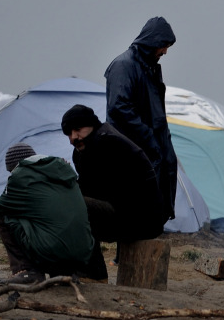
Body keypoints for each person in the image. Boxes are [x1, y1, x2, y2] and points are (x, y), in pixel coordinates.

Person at [62, 104, 165, 278]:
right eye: (69, 134)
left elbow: (97, 190)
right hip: (124, 211)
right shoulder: (87, 147)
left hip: (142, 219)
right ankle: (81, 267)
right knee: (73, 202)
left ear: (91, 125)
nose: (73, 138)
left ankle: (95, 272)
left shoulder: (106, 143)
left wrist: (68, 183)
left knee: (77, 205)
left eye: (77, 130)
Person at [0, 143, 100, 285]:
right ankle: (64, 274)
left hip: (52, 249)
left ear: (16, 166)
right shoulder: (63, 170)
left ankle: (27, 272)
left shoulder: (20, 176)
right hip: (83, 253)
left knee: (3, 217)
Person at [105, 16, 177, 225]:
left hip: (153, 138)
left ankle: (154, 223)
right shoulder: (124, 66)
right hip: (132, 141)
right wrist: (147, 135)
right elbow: (118, 107)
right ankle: (138, 230)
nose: (165, 51)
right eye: (164, 45)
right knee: (137, 187)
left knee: (163, 175)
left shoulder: (149, 66)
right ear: (153, 41)